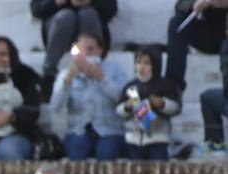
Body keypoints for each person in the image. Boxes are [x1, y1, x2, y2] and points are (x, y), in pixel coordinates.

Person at [49, 31, 128, 161]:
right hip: (78, 131)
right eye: (81, 51)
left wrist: (101, 78)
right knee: (77, 148)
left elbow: (126, 100)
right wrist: (68, 79)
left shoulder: (115, 70)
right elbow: (55, 107)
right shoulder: (66, 74)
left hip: (110, 131)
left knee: (106, 150)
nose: (86, 55)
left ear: (100, 50)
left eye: (90, 49)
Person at [31, 0, 118, 100]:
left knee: (87, 14)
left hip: (89, 28)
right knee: (65, 17)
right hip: (59, 31)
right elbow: (36, 8)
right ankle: (49, 76)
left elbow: (111, 9)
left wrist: (90, 2)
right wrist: (56, 2)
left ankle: (95, 68)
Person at [116, 47, 181, 161]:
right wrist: (127, 107)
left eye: (147, 63)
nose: (141, 67)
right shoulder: (130, 86)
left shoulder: (165, 85)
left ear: (155, 65)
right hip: (134, 140)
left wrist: (162, 104)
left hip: (158, 139)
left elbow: (176, 108)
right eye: (138, 62)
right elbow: (119, 110)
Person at [165, 0, 228, 93]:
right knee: (176, 23)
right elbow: (179, 6)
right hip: (212, 34)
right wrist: (196, 3)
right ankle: (173, 90)